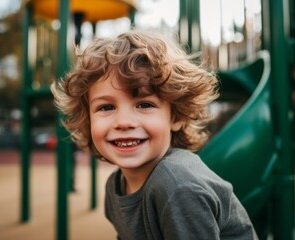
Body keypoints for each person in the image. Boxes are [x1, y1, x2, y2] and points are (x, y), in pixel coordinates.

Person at [52, 30, 258, 239]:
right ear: (88, 120)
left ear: (175, 117)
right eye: (106, 108)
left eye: (144, 104)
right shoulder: (115, 186)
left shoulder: (178, 186)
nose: (123, 122)